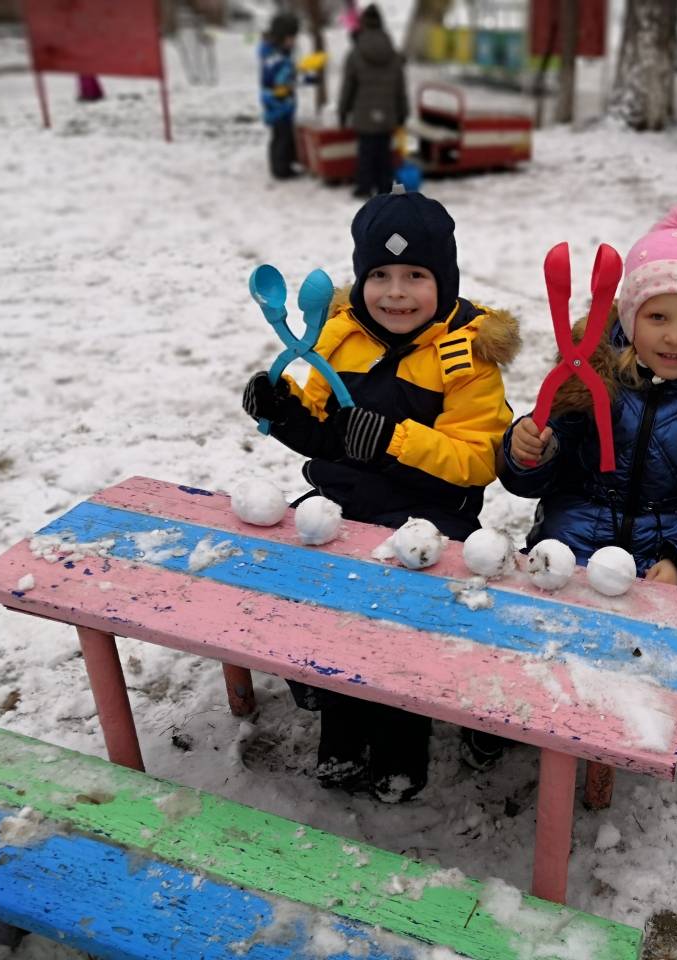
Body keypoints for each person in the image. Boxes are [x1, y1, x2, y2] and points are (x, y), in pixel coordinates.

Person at [497, 204, 677, 802]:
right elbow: (542, 475)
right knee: (517, 629)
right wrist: (527, 451)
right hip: (576, 544)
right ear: (629, 315)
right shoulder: (590, 376)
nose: (673, 336)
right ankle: (503, 721)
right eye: (657, 316)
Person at [240, 190, 520, 802]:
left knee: (393, 630)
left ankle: (399, 750)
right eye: (381, 276)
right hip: (340, 511)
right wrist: (281, 411)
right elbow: (321, 428)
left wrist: (397, 440)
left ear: (443, 281)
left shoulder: (465, 356)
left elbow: (478, 461)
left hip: (429, 521)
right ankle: (337, 724)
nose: (396, 292)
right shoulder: (338, 338)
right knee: (311, 601)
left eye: (415, 276)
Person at [339, 5, 407, 199]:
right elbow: (400, 86)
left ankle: (364, 187)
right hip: (387, 112)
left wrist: (343, 111)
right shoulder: (393, 53)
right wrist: (403, 112)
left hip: (364, 113)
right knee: (385, 153)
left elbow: (348, 87)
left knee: (366, 152)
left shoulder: (355, 53)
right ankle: (385, 187)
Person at [258, 12, 301, 180]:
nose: (293, 42)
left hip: (284, 102)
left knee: (284, 133)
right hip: (276, 103)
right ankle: (280, 169)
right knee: (280, 135)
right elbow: (276, 79)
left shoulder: (281, 53)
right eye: (291, 38)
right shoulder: (273, 57)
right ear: (282, 37)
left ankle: (286, 164)